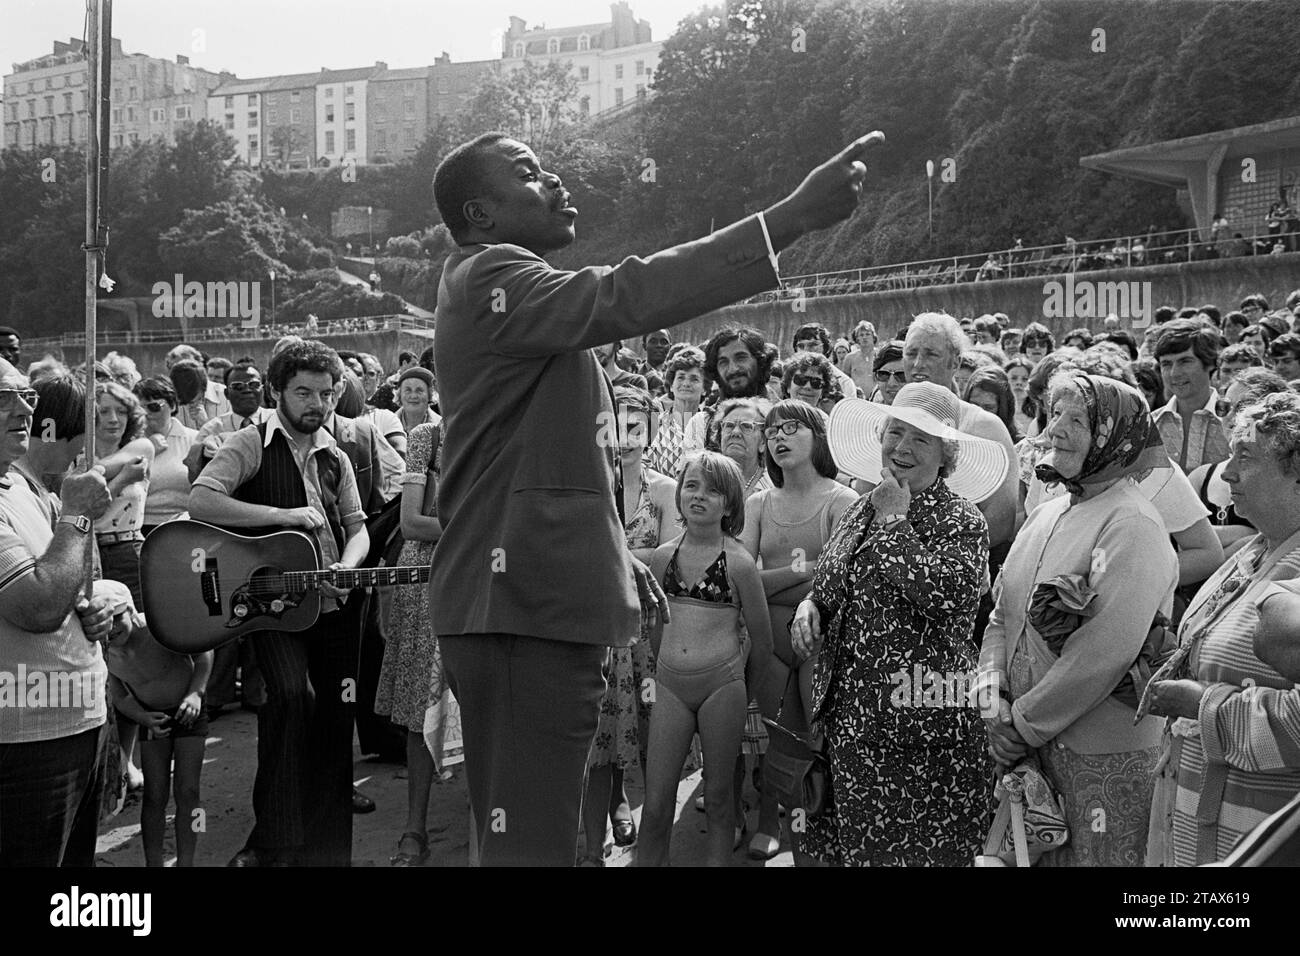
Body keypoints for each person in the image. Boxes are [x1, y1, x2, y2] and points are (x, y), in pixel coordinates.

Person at [429, 128, 880, 866]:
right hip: (520, 608)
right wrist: (789, 218)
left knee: (525, 833)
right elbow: (625, 294)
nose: (558, 181)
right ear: (480, 213)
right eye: (532, 173)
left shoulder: (496, 288)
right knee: (530, 847)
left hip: (521, 601)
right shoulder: (493, 275)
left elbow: (535, 462)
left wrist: (612, 551)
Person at [790, 383, 1003, 865]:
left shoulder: (961, 519)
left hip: (923, 734)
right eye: (896, 432)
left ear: (946, 456)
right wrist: (810, 609)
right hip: (853, 726)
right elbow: (831, 584)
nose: (902, 447)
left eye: (921, 439)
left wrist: (894, 524)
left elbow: (949, 599)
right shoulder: (863, 508)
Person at [979, 373, 1178, 866]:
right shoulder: (1048, 513)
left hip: (1100, 754)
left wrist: (1019, 725)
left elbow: (1104, 652)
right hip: (1032, 744)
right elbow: (1002, 617)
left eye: (1079, 421)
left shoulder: (1131, 524)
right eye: (1055, 416)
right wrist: (993, 702)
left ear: (1114, 437)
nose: (1056, 430)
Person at [190, 340, 370, 867]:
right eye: (303, 392)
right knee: (291, 699)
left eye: (326, 392)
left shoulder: (338, 454)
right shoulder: (248, 443)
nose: (317, 403)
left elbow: (356, 528)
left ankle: (328, 851)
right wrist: (282, 516)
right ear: (277, 392)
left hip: (332, 604)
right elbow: (202, 499)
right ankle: (272, 842)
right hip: (272, 607)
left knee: (337, 720)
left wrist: (350, 566)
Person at [1144, 390, 1300, 865]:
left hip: (1267, 842)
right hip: (1204, 825)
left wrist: (1200, 703)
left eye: (1245, 458)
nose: (1227, 473)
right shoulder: (1253, 553)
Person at [0, 358, 118, 866]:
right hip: (26, 742)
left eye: (26, 394)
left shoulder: (21, 488)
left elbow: (67, 590)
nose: (24, 408)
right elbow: (39, 604)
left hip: (74, 725)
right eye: (4, 396)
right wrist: (75, 516)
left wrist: (90, 612)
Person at [638, 452, 772, 866]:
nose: (699, 497)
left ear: (730, 504)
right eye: (691, 486)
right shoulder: (663, 557)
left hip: (722, 688)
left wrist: (737, 686)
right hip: (671, 688)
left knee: (718, 798)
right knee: (657, 802)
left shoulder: (739, 562)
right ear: (679, 494)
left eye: (713, 491)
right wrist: (668, 672)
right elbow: (657, 628)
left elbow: (763, 642)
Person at [741, 400, 857, 861]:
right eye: (770, 431)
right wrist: (809, 570)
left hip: (819, 642)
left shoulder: (842, 499)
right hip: (768, 642)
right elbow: (741, 576)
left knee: (818, 741)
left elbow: (841, 581)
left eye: (791, 427)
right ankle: (771, 825)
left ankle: (825, 837)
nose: (778, 437)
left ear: (819, 437)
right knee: (776, 739)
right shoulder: (758, 502)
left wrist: (773, 584)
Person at [580, 387, 677, 865]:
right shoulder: (586, 484)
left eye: (634, 428)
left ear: (651, 431)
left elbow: (674, 561)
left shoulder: (665, 489)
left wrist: (612, 559)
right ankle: (590, 846)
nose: (623, 439)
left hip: (648, 634)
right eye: (613, 427)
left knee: (653, 740)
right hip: (597, 630)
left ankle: (652, 848)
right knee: (599, 741)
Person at [375, 419, 463, 866]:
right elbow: (411, 523)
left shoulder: (505, 425)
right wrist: (476, 528)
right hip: (425, 574)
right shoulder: (426, 437)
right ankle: (414, 828)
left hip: (486, 570)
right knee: (421, 704)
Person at [103, 581, 211, 866]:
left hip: (188, 712)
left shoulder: (158, 628)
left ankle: (186, 860)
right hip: (153, 720)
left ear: (131, 611)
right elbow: (119, 694)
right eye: (104, 621)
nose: (112, 628)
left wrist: (195, 694)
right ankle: (154, 863)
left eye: (117, 618)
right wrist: (141, 717)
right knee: (155, 794)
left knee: (188, 791)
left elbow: (203, 654)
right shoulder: (105, 650)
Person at [1188, 369, 1288, 561]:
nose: (1232, 417)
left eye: (1243, 407)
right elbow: (1177, 535)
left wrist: (1210, 548)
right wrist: (1240, 535)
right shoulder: (1202, 477)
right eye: (1225, 406)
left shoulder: (1284, 476)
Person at [93, 382, 155, 609]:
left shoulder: (141, 446)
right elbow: (86, 508)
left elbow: (96, 471)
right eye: (104, 411)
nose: (114, 419)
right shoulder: (75, 456)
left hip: (127, 549)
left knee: (141, 625)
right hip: (88, 552)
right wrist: (123, 479)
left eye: (121, 411)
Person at [684, 328, 777, 455]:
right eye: (723, 362)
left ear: (760, 361)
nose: (733, 369)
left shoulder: (783, 418)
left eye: (741, 358)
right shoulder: (701, 424)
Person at [1153, 319, 1228, 473]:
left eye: (1185, 361)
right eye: (1166, 364)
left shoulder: (1236, 422)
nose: (1174, 373)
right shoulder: (1150, 425)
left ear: (1209, 363)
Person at [185, 361, 275, 484]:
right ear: (227, 394)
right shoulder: (212, 430)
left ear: (263, 389)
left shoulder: (276, 421)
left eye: (253, 384)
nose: (247, 390)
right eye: (238, 386)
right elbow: (194, 477)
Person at [133, 377, 196, 537]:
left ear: (172, 405)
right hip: (139, 529)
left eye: (154, 407)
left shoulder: (194, 439)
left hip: (188, 527)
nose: (146, 414)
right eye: (139, 409)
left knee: (206, 563)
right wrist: (148, 450)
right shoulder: (128, 444)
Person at [646, 346, 706, 478]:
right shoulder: (654, 422)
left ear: (704, 388)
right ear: (671, 386)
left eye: (694, 379)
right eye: (681, 377)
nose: (686, 383)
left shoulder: (711, 426)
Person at [710, 398, 774, 500]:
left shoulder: (773, 488)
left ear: (763, 441)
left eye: (746, 426)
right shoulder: (707, 479)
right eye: (729, 425)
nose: (735, 432)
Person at [792, 322, 859, 400]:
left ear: (826, 348)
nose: (806, 350)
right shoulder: (789, 378)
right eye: (801, 346)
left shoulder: (844, 382)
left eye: (813, 345)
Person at [963, 365, 1022, 443]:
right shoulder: (955, 439)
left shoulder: (1020, 446)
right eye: (975, 405)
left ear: (1003, 409)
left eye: (988, 408)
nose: (980, 414)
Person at [780, 350, 840, 415]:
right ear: (788, 386)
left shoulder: (827, 423)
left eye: (816, 382)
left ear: (822, 391)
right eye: (801, 379)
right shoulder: (773, 418)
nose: (808, 386)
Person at [395, 366, 438, 434]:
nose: (413, 396)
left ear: (429, 395)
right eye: (408, 390)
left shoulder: (441, 427)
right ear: (400, 395)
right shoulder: (386, 424)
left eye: (419, 390)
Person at [840, 320, 877, 399]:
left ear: (873, 337)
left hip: (877, 400)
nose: (864, 337)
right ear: (857, 339)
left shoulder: (880, 355)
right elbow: (844, 382)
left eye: (867, 334)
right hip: (857, 400)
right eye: (861, 335)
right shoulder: (850, 358)